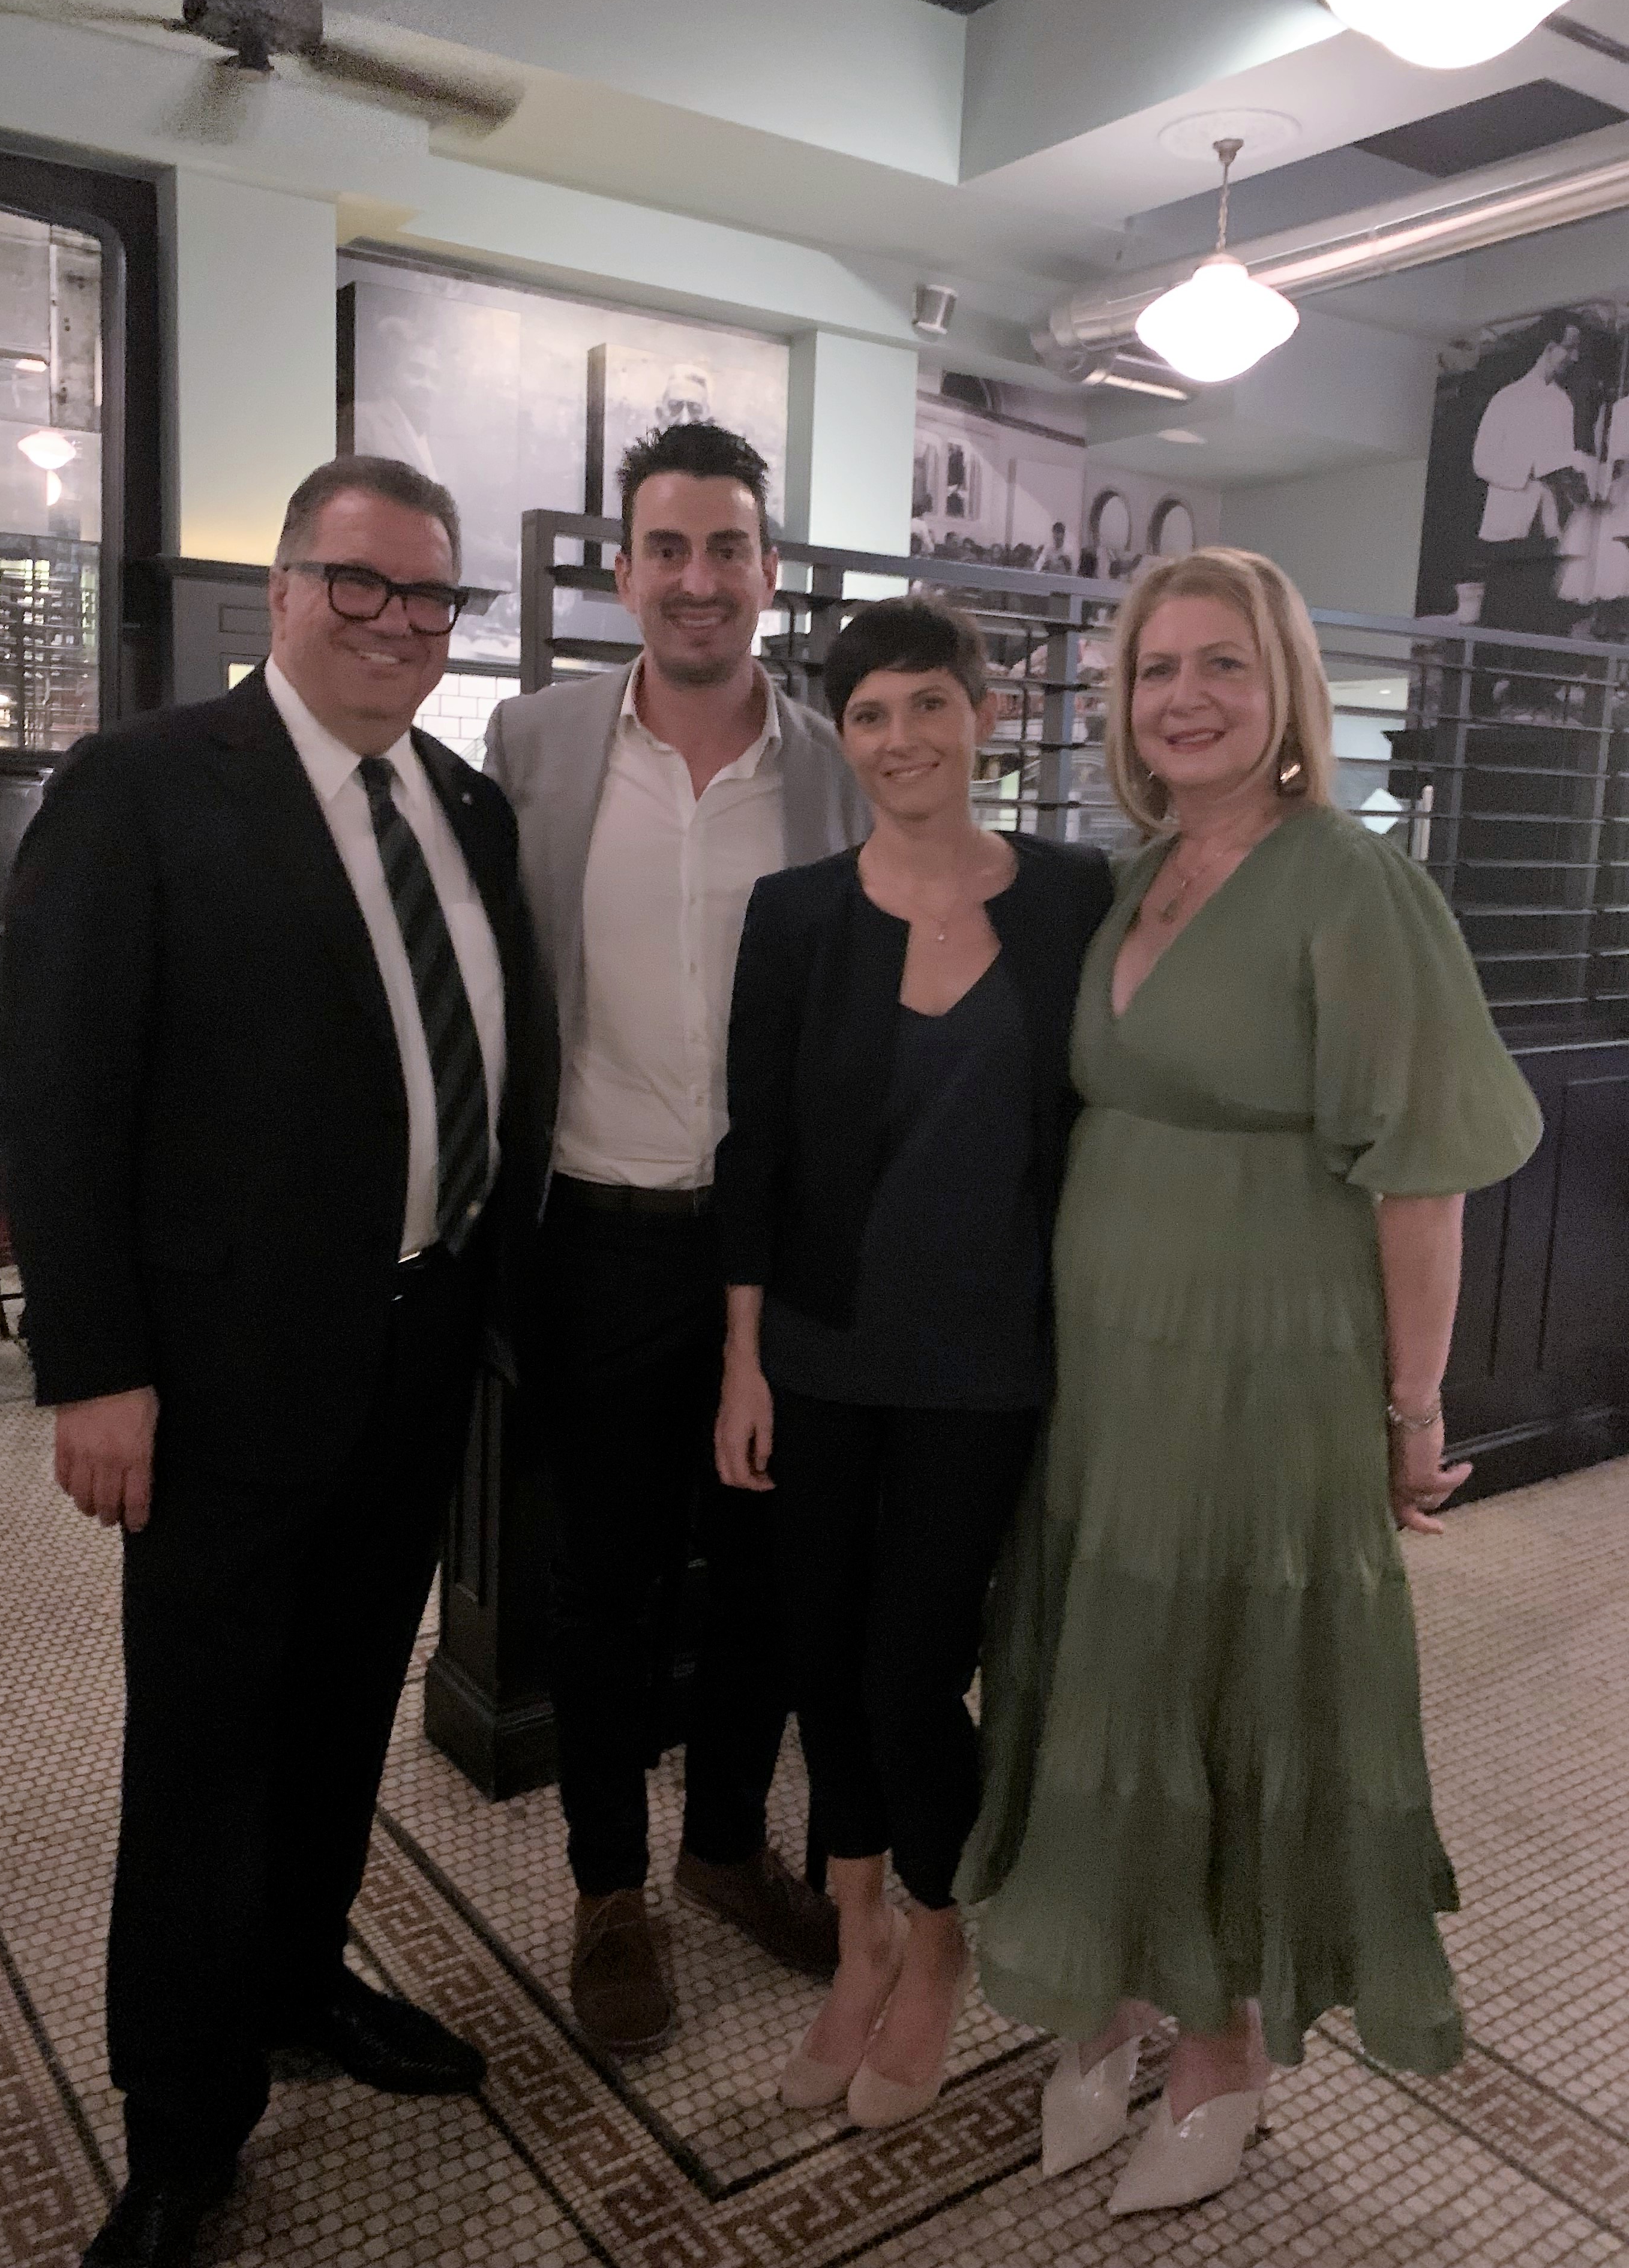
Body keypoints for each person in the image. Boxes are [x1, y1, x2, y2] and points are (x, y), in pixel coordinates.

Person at [0, 455, 554, 2268]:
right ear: (287, 586)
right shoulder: (144, 787)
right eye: (361, 582)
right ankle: (182, 2128)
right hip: (220, 1377)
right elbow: (59, 1094)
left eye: (431, 595)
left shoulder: (466, 808)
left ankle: (303, 1982)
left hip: (420, 1347)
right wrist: (94, 1368)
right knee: (204, 1754)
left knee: (340, 1715)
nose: (399, 622)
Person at [956, 548, 1541, 2216]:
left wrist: (1413, 1412)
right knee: (1113, 1664)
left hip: (1266, 1363)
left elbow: (1422, 1181)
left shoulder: (1353, 885)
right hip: (1109, 1369)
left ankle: (1224, 2040)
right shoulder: (1138, 875)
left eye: (1223, 663)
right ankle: (1119, 1981)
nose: (1187, 697)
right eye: (1157, 669)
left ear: (1285, 687)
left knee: (1227, 1678)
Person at [483, 420, 864, 2054]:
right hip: (600, 1239)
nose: (698, 579)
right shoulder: (534, 744)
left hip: (781, 1249)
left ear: (770, 572)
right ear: (624, 569)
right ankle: (608, 1889)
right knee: (604, 1584)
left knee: (767, 1576)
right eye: (667, 549)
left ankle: (721, 1847)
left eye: (727, 549)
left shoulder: (842, 766)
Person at [713, 598, 1111, 2128]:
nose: (901, 739)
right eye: (871, 715)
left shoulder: (1074, 898)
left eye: (929, 705)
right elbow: (753, 1150)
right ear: (845, 736)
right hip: (819, 1350)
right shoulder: (797, 914)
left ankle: (938, 1933)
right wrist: (744, 1362)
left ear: (986, 715)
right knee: (823, 1654)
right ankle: (859, 1929)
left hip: (987, 1361)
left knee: (910, 1665)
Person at [1472, 318, 1586, 632]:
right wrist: (1530, 473)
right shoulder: (1507, 399)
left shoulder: (1563, 403)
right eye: (1570, 348)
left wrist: (1572, 475)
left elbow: (1562, 459)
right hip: (1509, 527)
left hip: (1546, 528)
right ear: (1549, 348)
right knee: (1500, 613)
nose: (1575, 357)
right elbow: (1482, 462)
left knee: (1537, 614)